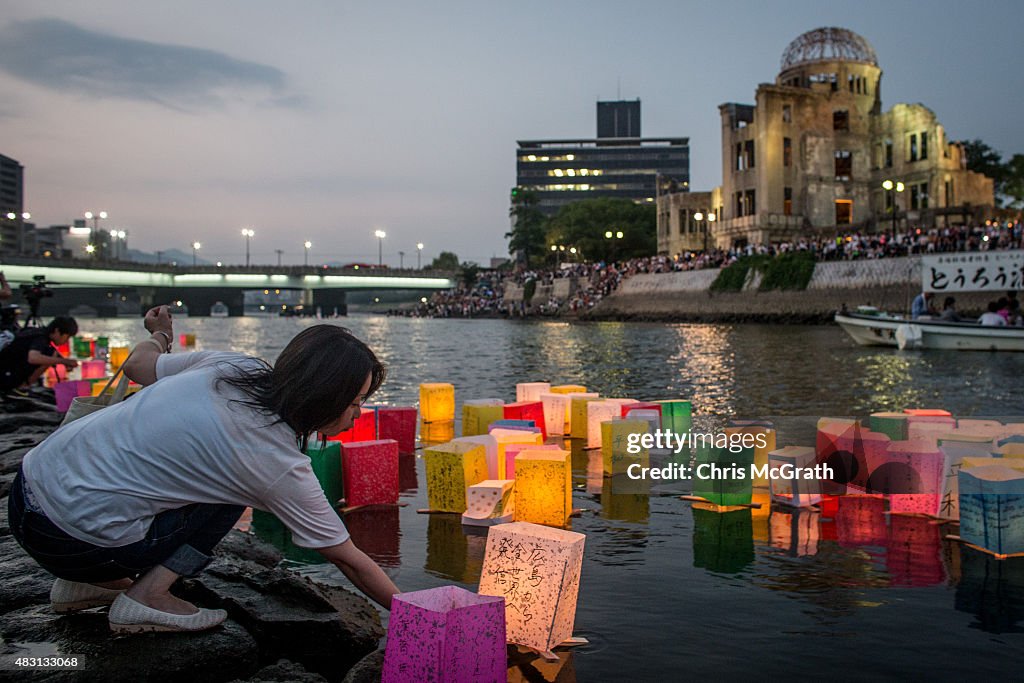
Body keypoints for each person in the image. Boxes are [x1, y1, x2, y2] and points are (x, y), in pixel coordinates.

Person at [8, 307, 400, 633]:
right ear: (323, 398)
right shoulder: (277, 462)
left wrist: (161, 335)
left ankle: (80, 585)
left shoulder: (233, 365)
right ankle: (147, 598)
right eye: (355, 402)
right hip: (70, 542)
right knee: (226, 500)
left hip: (24, 496)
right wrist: (414, 610)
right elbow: (349, 558)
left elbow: (137, 365)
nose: (358, 414)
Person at [0, 316, 79, 393]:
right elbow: (33, 358)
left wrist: (63, 360)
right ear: (57, 331)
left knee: (51, 353)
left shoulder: (36, 333)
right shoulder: (40, 338)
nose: (66, 341)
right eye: (67, 337)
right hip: (6, 376)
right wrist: (64, 361)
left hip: (6, 371)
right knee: (50, 354)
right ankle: (22, 386)